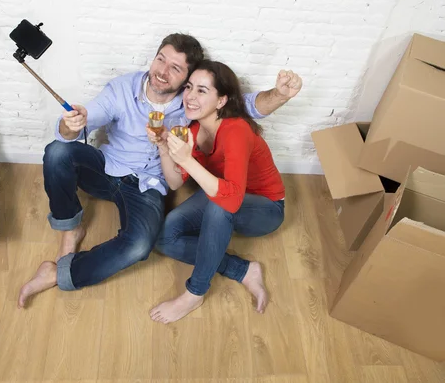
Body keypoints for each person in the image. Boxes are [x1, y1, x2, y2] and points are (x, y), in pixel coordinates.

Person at [17, 33, 302, 308]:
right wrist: (72, 124)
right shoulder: (143, 98)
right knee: (57, 151)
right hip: (110, 168)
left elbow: (247, 105)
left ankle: (62, 274)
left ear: (187, 79)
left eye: (176, 69)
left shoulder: (200, 113)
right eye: (160, 60)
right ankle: (70, 228)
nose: (163, 72)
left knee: (144, 244)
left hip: (150, 185)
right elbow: (85, 121)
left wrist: (279, 95)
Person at [148, 60, 288, 324]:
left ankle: (195, 292)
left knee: (220, 205)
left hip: (266, 208)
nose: (189, 96)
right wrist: (165, 148)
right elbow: (176, 183)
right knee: (163, 238)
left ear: (222, 100)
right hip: (221, 193)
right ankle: (243, 270)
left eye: (202, 91)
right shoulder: (195, 130)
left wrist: (187, 159)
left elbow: (232, 199)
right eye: (189, 87)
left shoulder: (236, 130)